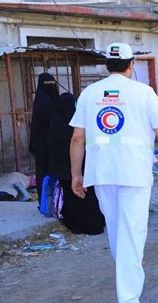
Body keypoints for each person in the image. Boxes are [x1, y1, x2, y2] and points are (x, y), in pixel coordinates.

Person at [69, 42, 158, 303]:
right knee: (131, 235)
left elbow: (77, 138)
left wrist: (76, 174)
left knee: (119, 233)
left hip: (102, 173)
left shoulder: (89, 93)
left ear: (108, 65)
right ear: (131, 65)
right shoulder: (144, 92)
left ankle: (128, 284)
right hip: (134, 173)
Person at [48, 92, 105, 235]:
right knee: (88, 196)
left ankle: (74, 225)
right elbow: (79, 141)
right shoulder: (78, 124)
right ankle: (94, 225)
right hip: (80, 166)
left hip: (63, 169)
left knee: (70, 197)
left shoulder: (54, 124)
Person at [29, 72, 59, 202]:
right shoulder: (56, 102)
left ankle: (45, 202)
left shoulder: (39, 102)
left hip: (41, 146)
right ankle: (56, 201)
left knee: (43, 173)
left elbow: (35, 128)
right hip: (55, 144)